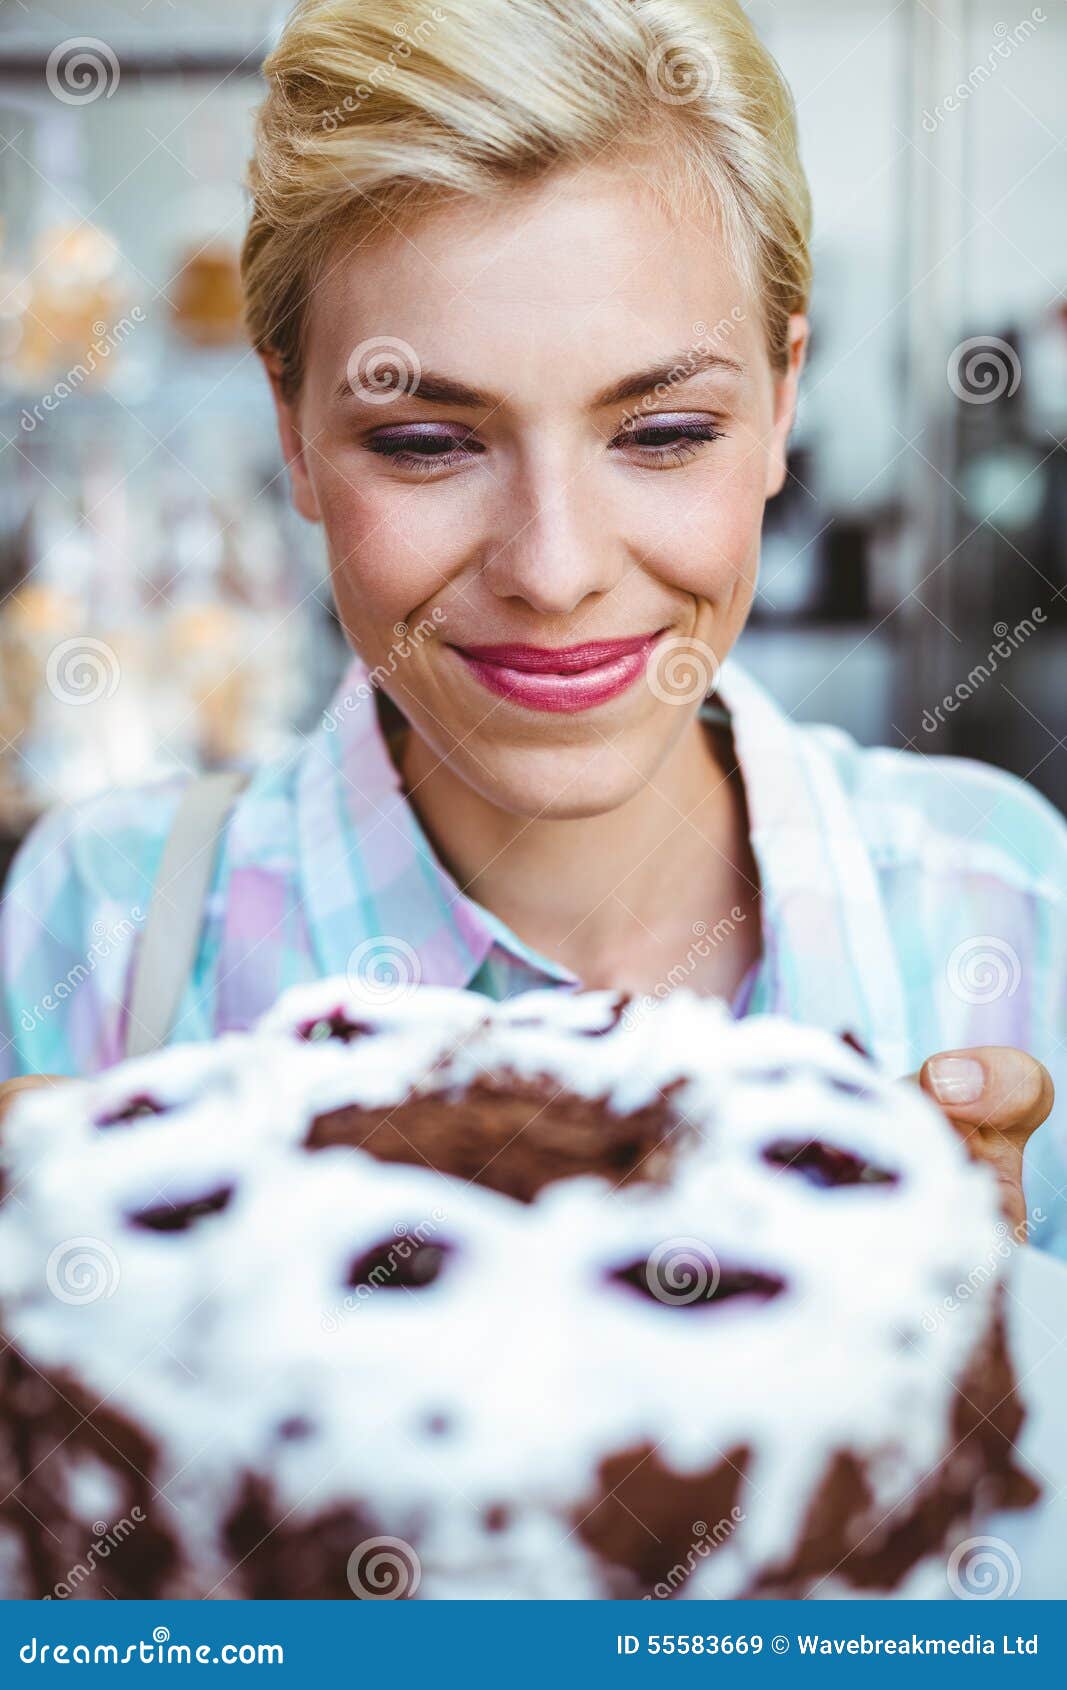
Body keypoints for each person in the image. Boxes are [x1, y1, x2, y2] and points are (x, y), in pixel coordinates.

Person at [0, 0, 1062, 1248]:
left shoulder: (1002, 910)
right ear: (292, 431)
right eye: (424, 444)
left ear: (780, 405)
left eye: (662, 434)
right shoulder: (108, 922)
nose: (552, 571)